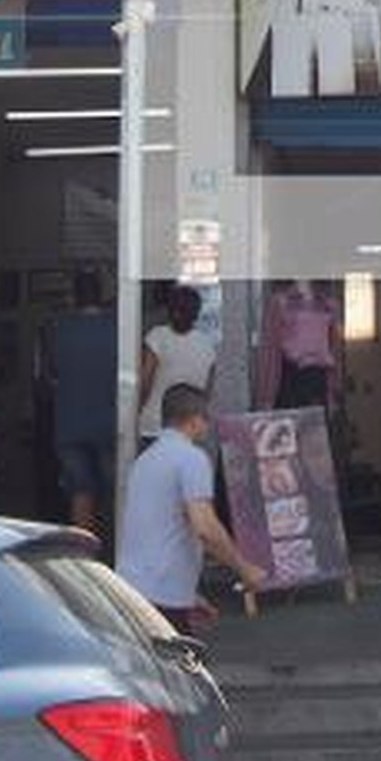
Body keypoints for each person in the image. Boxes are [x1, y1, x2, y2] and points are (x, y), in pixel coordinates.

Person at [116, 382, 262, 632]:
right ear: (195, 420)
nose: (208, 425)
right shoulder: (191, 459)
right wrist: (244, 568)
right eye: (207, 418)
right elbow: (204, 527)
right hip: (162, 595)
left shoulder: (145, 460)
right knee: (182, 668)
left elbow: (154, 528)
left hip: (133, 587)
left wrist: (189, 594)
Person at [45, 270, 119, 538]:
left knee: (80, 491)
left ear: (74, 296)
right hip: (109, 421)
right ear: (102, 296)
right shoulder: (117, 327)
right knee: (114, 493)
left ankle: (84, 558)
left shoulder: (60, 327)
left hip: (70, 422)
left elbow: (52, 371)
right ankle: (114, 553)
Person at [137, 283, 219, 443]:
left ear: (170, 311)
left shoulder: (157, 336)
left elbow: (145, 382)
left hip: (155, 427)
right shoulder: (207, 345)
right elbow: (207, 392)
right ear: (196, 314)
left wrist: (135, 411)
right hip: (188, 430)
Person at [264, 277, 341, 413]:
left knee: (316, 429)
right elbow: (272, 354)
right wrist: (266, 400)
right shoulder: (281, 302)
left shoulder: (329, 304)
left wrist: (332, 394)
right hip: (291, 377)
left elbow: (334, 351)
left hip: (318, 377)